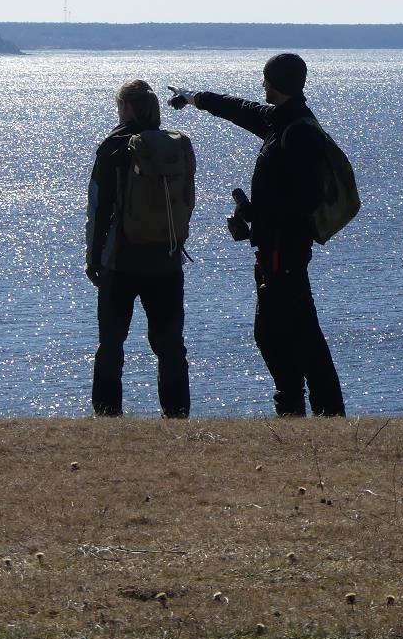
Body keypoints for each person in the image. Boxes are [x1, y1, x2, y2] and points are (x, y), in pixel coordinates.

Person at [169, 53, 345, 417]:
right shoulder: (281, 121)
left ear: (276, 83)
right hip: (275, 247)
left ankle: (305, 407)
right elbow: (238, 109)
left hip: (284, 250)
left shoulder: (295, 132)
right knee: (291, 332)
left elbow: (305, 199)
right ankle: (310, 408)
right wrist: (193, 96)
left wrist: (255, 214)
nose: (261, 86)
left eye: (265, 80)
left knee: (281, 334)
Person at [85, 79, 193, 418]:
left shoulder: (115, 146)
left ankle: (107, 414)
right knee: (170, 344)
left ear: (126, 107)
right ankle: (176, 413)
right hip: (167, 258)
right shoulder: (173, 146)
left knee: (112, 343)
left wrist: (93, 257)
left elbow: (99, 208)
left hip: (122, 259)